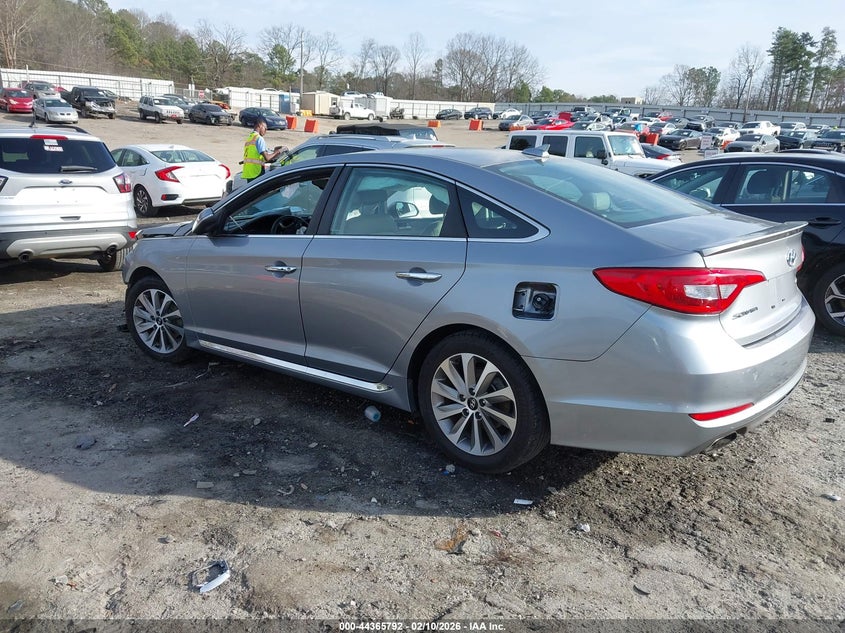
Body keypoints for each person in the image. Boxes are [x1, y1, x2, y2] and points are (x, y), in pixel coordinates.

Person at [242, 116, 286, 182]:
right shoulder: (259, 138)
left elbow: (255, 155)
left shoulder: (250, 138)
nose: (265, 132)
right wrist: (279, 151)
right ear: (260, 125)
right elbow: (267, 158)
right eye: (265, 129)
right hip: (256, 172)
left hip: (249, 172)